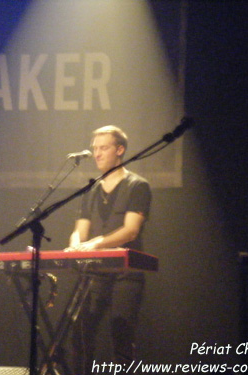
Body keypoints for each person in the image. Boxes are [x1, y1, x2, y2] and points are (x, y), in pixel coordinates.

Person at [66, 125, 152, 374]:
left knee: (121, 333)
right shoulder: (90, 189)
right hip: (95, 271)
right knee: (80, 331)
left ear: (120, 150)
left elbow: (130, 230)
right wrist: (74, 246)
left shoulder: (137, 185)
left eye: (104, 148)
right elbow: (80, 231)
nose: (97, 154)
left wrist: (94, 244)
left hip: (127, 272)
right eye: (95, 148)